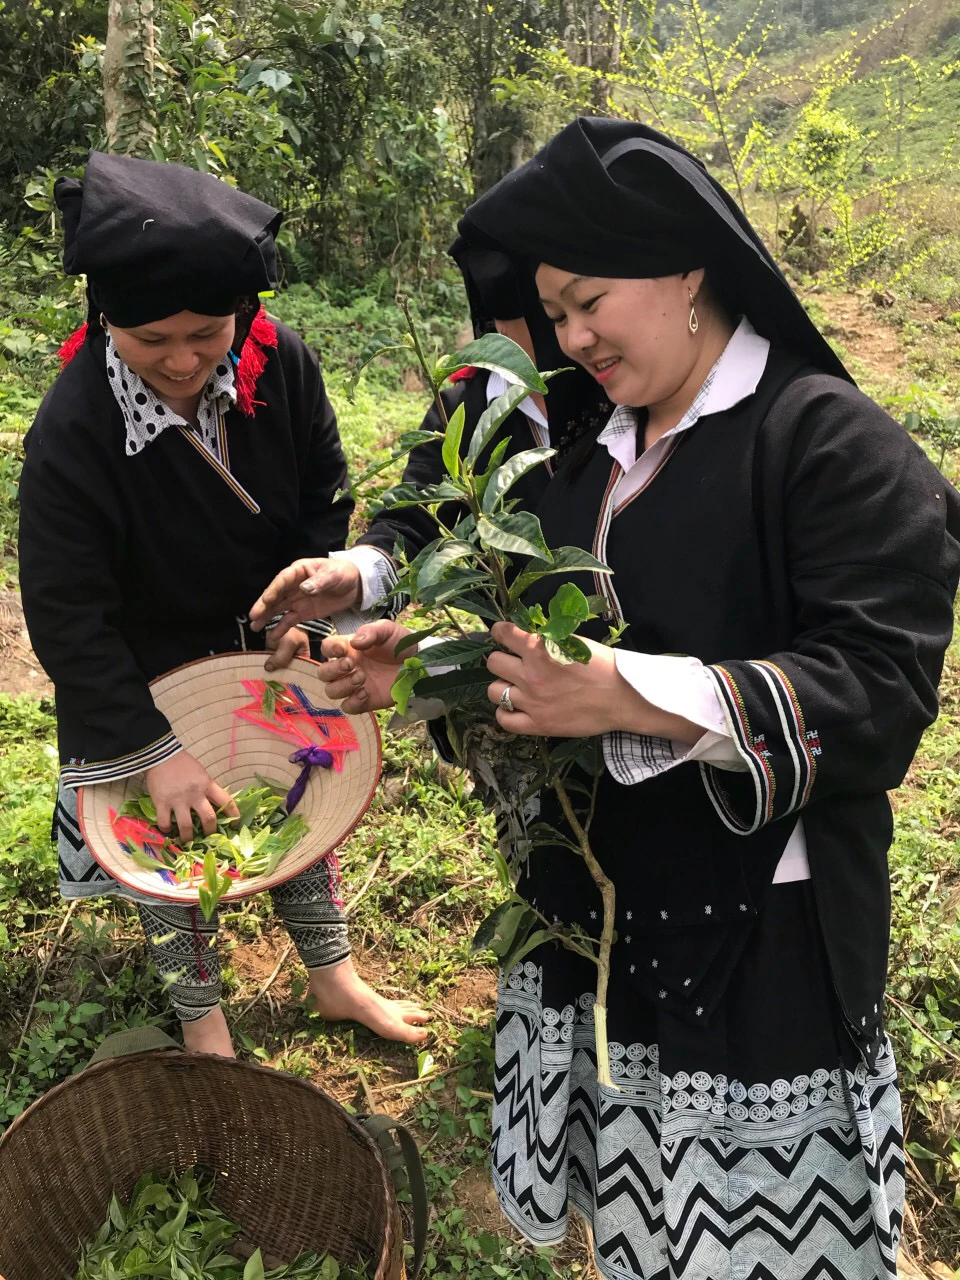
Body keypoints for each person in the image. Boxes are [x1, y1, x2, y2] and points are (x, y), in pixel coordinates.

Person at [292, 120, 960, 1280]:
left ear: (690, 268)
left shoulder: (826, 443)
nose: (572, 336)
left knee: (751, 1239)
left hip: (755, 942)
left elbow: (880, 689)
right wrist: (429, 666)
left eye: (590, 298)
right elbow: (545, 647)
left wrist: (626, 695)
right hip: (597, 921)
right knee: (639, 1213)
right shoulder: (594, 450)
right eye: (555, 313)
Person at [17, 152, 429, 1056]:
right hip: (136, 670)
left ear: (243, 315)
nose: (181, 360)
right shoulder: (73, 431)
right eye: (149, 338)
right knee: (168, 846)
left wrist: (303, 599)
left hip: (258, 640)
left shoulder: (283, 368)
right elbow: (65, 613)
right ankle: (205, 1030)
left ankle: (334, 979)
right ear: (102, 318)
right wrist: (153, 749)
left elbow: (324, 488)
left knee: (297, 790)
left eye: (206, 333)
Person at [248, 238, 611, 653]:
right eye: (548, 318)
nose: (574, 341)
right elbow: (417, 519)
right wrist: (357, 573)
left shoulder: (623, 395)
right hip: (514, 671)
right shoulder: (466, 405)